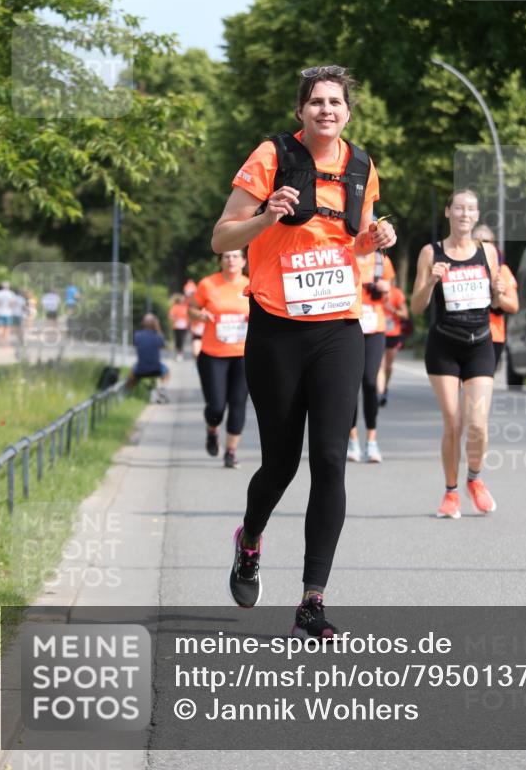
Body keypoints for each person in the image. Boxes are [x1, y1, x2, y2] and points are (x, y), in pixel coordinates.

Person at [211, 64, 396, 638]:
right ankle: (250, 538)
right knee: (281, 463)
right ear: (301, 111)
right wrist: (267, 215)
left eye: (335, 102)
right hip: (277, 330)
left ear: (348, 110)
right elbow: (221, 237)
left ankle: (312, 598)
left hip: (339, 327)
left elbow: (354, 245)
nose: (326, 110)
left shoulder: (363, 167)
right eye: (315, 101)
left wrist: (374, 242)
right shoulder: (270, 156)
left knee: (332, 461)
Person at [411, 189, 505, 519]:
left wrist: (497, 292)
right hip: (444, 347)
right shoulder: (430, 253)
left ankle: (474, 480)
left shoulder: (488, 251)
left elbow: (495, 303)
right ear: (448, 212)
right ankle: (450, 492)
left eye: (471, 209)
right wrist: (430, 283)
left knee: (478, 424)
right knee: (453, 422)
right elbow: (416, 307)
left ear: (477, 216)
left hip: (480, 343)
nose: (465, 214)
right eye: (459, 208)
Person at [190, 252, 250, 469]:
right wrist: (200, 315)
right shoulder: (208, 284)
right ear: (221, 262)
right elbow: (192, 310)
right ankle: (212, 430)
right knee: (216, 406)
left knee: (238, 403)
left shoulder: (251, 284)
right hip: (213, 354)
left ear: (243, 262)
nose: (231, 260)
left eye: (235, 257)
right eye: (226, 257)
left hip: (244, 354)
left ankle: (231, 452)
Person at [347, 249, 394, 463]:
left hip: (374, 327)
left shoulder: (382, 261)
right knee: (350, 385)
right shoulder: (346, 253)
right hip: (349, 325)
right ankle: (352, 439)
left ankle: (372, 441)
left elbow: (390, 295)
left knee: (369, 382)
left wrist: (385, 288)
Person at [471, 225, 519, 370]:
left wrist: (497, 297)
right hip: (466, 333)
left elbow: (514, 305)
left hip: (492, 335)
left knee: (482, 385)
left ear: (493, 243)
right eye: (476, 240)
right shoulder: (463, 267)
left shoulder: (502, 270)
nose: (481, 244)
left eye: (485, 240)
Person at [377, 276, 410, 406]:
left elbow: (405, 315)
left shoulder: (396, 293)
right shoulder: (373, 292)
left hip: (393, 333)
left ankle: (384, 387)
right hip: (377, 332)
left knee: (388, 366)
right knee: (380, 365)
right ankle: (379, 394)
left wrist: (393, 310)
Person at [126, 313, 170, 401]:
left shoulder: (137, 335)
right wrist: (157, 328)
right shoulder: (158, 336)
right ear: (154, 323)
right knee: (167, 371)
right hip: (156, 369)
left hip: (140, 369)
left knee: (131, 372)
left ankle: (127, 393)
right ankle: (162, 389)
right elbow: (163, 345)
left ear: (143, 323)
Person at [168, 293, 190, 362]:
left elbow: (189, 316)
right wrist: (175, 318)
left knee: (182, 340)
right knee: (178, 340)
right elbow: (170, 316)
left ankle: (180, 354)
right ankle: (178, 352)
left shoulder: (186, 307)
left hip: (184, 327)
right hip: (177, 326)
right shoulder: (175, 307)